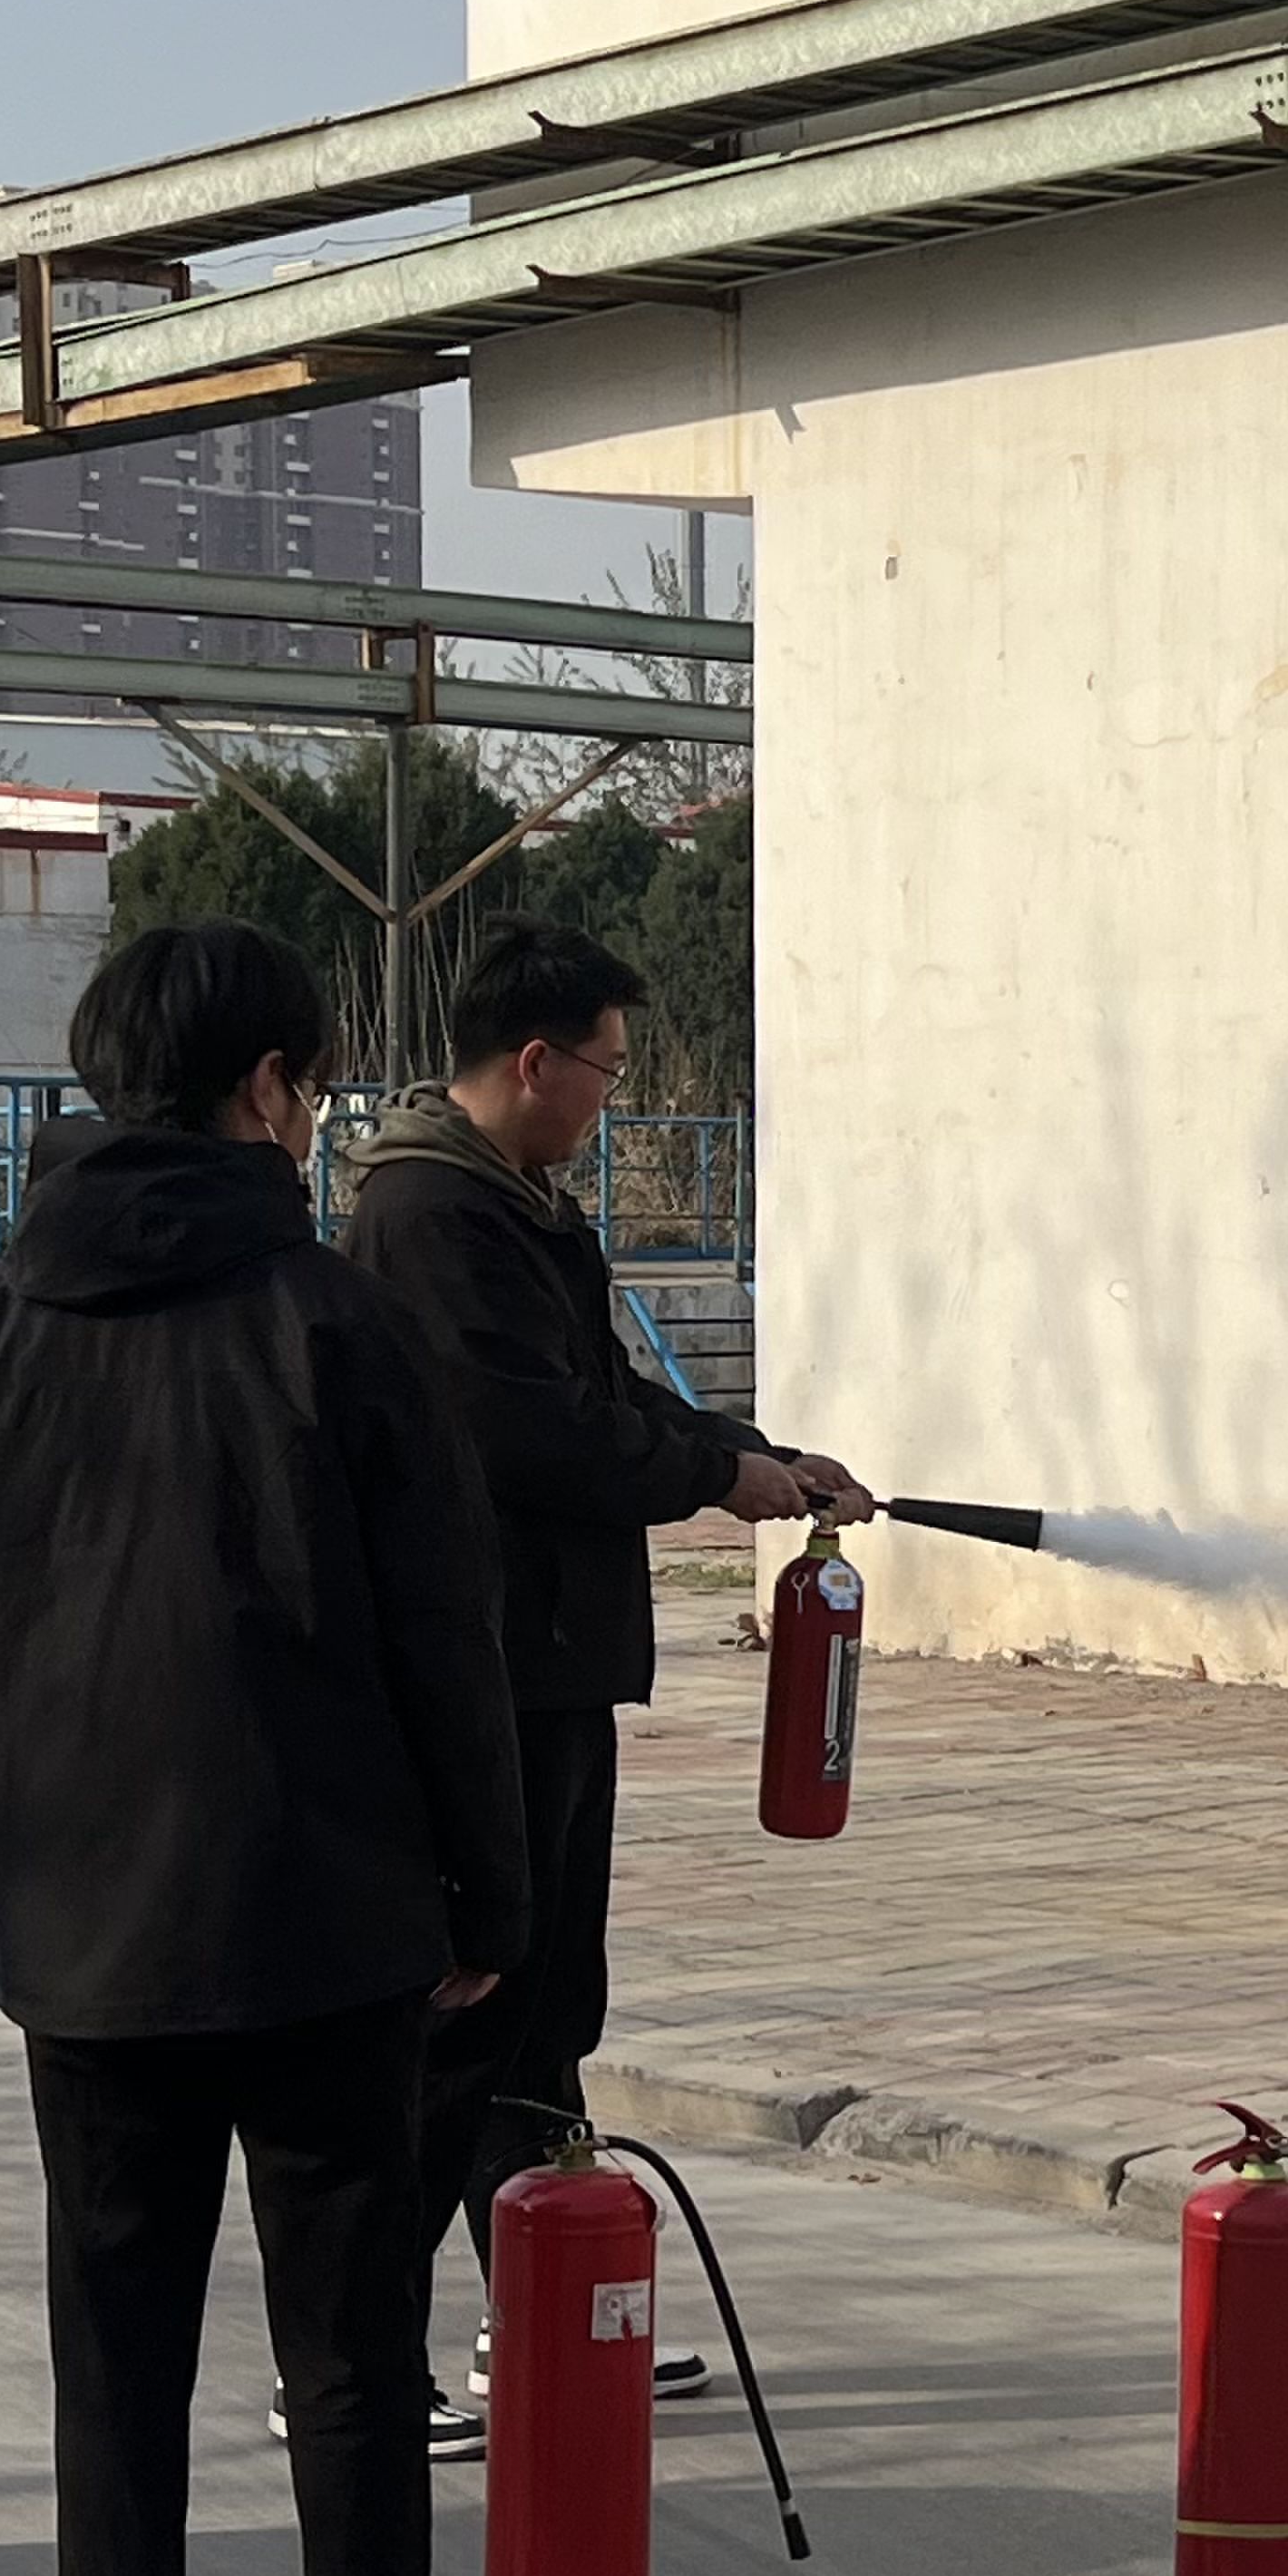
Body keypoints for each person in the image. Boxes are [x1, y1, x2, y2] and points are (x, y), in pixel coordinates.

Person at [0, 919, 532, 2576]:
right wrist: (485, 1905)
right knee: (348, 2331)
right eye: (313, 1083)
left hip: (83, 1926)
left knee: (115, 2328)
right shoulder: (338, 1325)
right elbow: (446, 1643)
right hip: (332, 1917)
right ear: (266, 1088)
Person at [341, 924, 869, 2425]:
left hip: (555, 1666)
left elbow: (602, 1391)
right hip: (478, 1671)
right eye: (606, 1070)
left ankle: (543, 2307)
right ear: (534, 1061)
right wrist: (711, 1479)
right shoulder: (428, 1217)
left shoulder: (521, 1210)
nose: (611, 1098)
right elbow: (526, 1432)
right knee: (460, 2014)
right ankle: (353, 2362)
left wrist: (754, 1455)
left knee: (543, 2007)